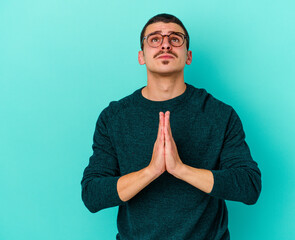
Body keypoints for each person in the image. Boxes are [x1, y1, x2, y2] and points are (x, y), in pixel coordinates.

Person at [81, 13, 261, 240]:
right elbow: (92, 194)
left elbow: (249, 186)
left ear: (188, 56)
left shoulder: (220, 114)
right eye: (154, 39)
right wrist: (151, 171)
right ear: (141, 56)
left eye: (175, 39)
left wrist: (180, 169)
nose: (165, 43)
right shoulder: (114, 117)